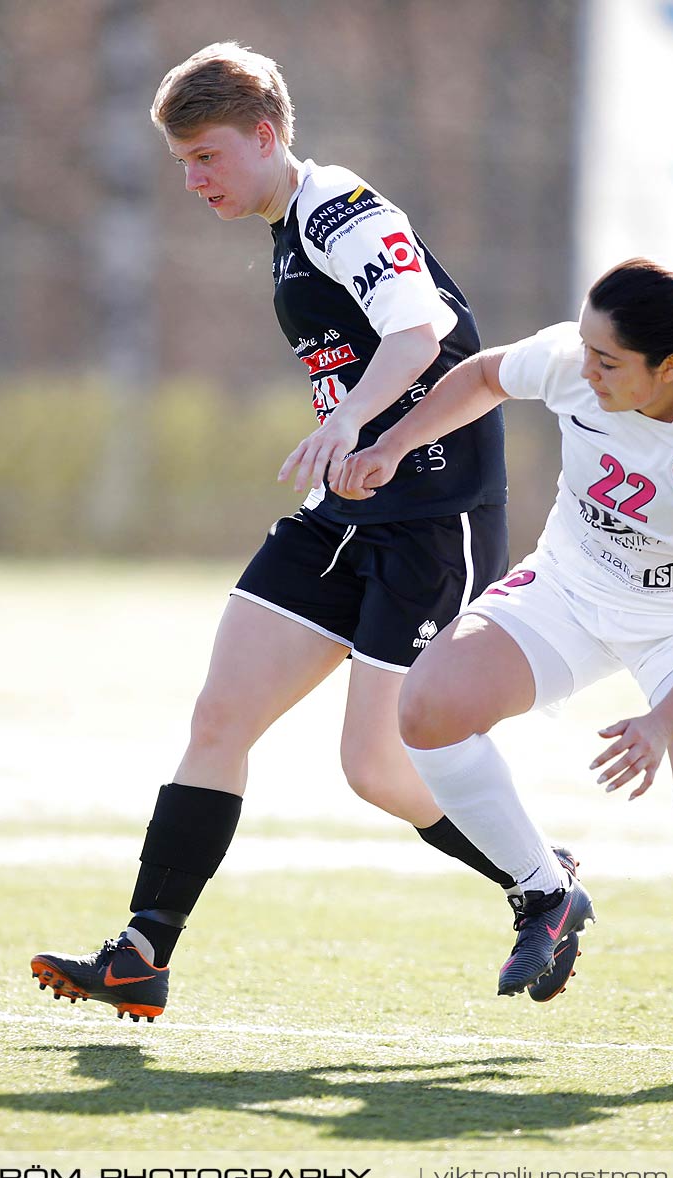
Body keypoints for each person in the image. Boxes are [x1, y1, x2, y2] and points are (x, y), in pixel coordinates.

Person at [30, 42, 580, 1021]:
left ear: (265, 135)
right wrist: (347, 434)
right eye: (182, 164)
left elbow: (422, 333)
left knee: (376, 770)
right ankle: (142, 950)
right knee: (219, 719)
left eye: (206, 156)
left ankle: (542, 882)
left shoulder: (339, 209)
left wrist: (348, 419)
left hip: (433, 515)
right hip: (347, 508)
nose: (193, 180)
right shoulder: (288, 226)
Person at [337, 258, 673, 1081]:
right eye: (588, 349)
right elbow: (488, 374)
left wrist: (663, 721)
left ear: (669, 368)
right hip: (571, 587)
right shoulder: (577, 360)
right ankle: (544, 892)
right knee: (427, 707)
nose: (585, 367)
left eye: (609, 361)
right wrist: (389, 446)